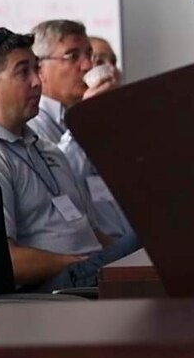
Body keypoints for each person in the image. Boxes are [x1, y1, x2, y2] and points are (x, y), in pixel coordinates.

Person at [0, 28, 138, 292]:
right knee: (157, 239)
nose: (37, 81)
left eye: (36, 69)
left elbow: (91, 231)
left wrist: (122, 259)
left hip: (86, 276)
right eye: (23, 72)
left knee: (156, 246)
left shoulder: (47, 149)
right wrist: (78, 262)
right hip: (51, 292)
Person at [28, 21, 134, 240]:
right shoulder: (31, 124)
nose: (87, 65)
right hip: (85, 256)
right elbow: (57, 181)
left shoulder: (79, 117)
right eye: (72, 56)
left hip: (120, 243)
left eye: (88, 54)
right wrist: (84, 118)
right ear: (40, 69)